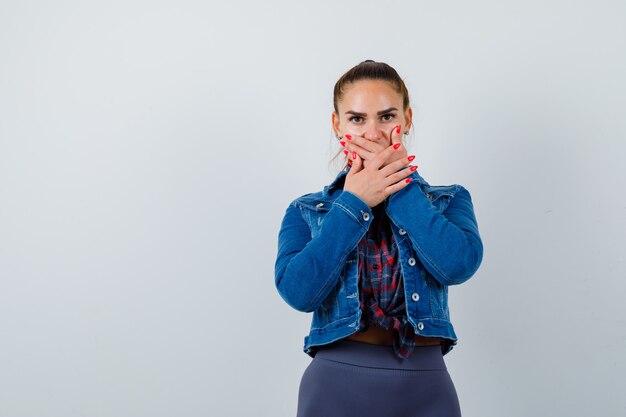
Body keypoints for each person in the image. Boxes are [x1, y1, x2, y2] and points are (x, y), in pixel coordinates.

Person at [274, 60, 484, 417]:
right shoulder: (307, 210)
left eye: (387, 117)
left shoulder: (448, 199)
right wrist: (352, 204)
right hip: (334, 385)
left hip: (425, 384)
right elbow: (298, 293)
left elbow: (458, 265)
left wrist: (399, 189)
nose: (373, 133)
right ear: (337, 125)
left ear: (407, 118)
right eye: (357, 119)